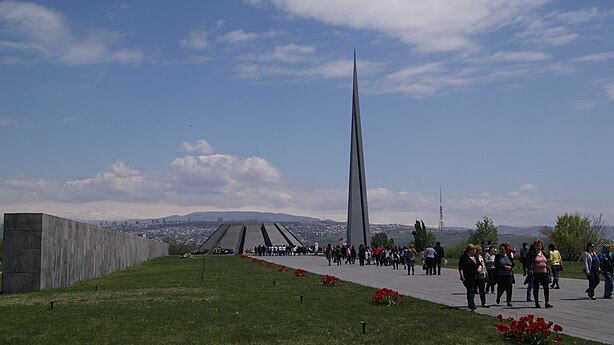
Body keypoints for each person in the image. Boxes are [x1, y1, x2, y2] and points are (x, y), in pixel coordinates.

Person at [526, 239, 553, 308]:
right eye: (537, 246)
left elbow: (546, 261)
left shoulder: (543, 253)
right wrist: (530, 270)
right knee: (536, 288)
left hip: (544, 272)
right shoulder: (532, 253)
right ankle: (536, 302)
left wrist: (547, 269)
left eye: (540, 246)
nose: (539, 247)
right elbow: (528, 262)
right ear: (534, 246)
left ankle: (547, 302)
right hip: (536, 273)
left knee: (546, 287)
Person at [458, 244, 480, 311]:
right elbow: (461, 267)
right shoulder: (464, 257)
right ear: (469, 250)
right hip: (467, 276)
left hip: (476, 276)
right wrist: (461, 275)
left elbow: (480, 264)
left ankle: (471, 303)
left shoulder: (475, 257)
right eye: (473, 250)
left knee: (473, 291)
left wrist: (479, 268)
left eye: (475, 250)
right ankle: (471, 305)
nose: (474, 251)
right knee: (470, 290)